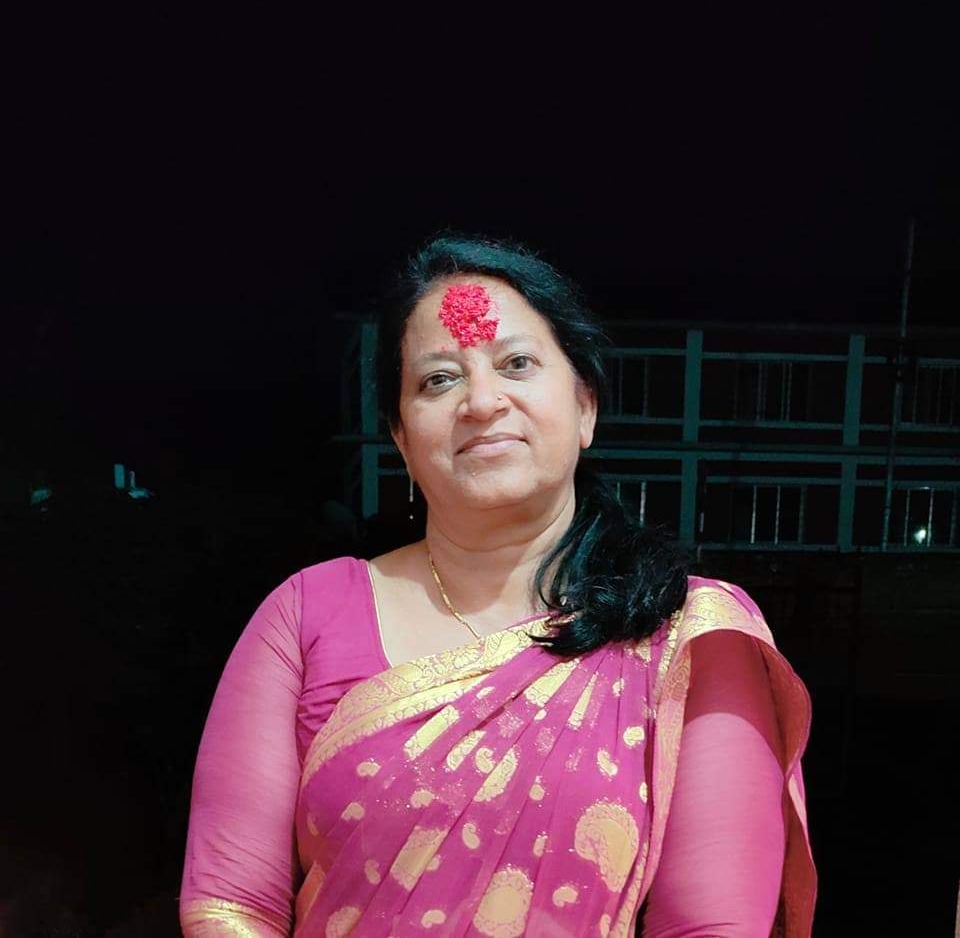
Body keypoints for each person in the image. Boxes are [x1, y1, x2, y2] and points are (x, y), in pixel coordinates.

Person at [179, 234, 817, 936]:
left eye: (517, 364)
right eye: (438, 380)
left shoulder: (690, 637)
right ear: (400, 437)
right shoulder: (306, 616)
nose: (482, 402)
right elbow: (231, 904)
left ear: (585, 406)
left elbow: (712, 926)